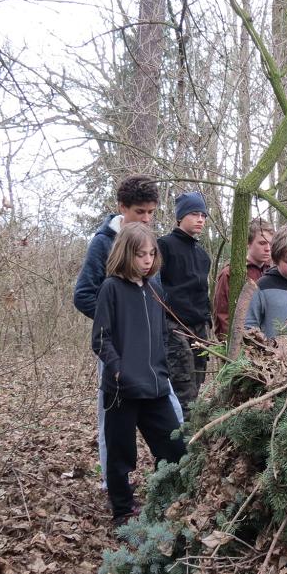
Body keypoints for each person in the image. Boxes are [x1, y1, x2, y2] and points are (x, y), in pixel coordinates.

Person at [73, 175, 183, 490]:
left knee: (171, 415)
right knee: (114, 425)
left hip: (152, 357)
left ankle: (173, 483)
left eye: (151, 212)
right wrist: (122, 327)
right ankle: (114, 486)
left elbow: (155, 296)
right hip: (116, 351)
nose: (147, 218)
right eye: (139, 212)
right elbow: (83, 295)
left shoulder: (148, 246)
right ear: (122, 208)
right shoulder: (103, 242)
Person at [91, 223, 187, 528]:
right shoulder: (111, 288)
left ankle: (169, 500)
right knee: (120, 455)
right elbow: (101, 338)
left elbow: (161, 333)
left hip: (155, 385)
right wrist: (118, 370)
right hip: (122, 390)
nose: (147, 260)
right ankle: (122, 511)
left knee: (173, 447)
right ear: (125, 254)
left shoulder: (155, 290)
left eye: (151, 253)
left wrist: (163, 368)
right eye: (140, 254)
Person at [157, 192, 212, 418]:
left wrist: (207, 322)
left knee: (197, 387)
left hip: (200, 330)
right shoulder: (164, 246)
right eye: (194, 214)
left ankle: (191, 439)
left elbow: (203, 291)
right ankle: (181, 445)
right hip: (174, 327)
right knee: (183, 390)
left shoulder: (202, 254)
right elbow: (154, 287)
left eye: (203, 215)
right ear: (180, 217)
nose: (200, 219)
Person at [212, 217, 274, 339]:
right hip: (241, 343)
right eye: (262, 243)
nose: (268, 248)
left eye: (270, 243)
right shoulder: (230, 273)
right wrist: (230, 344)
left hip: (271, 345)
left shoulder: (273, 271)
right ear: (248, 243)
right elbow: (223, 316)